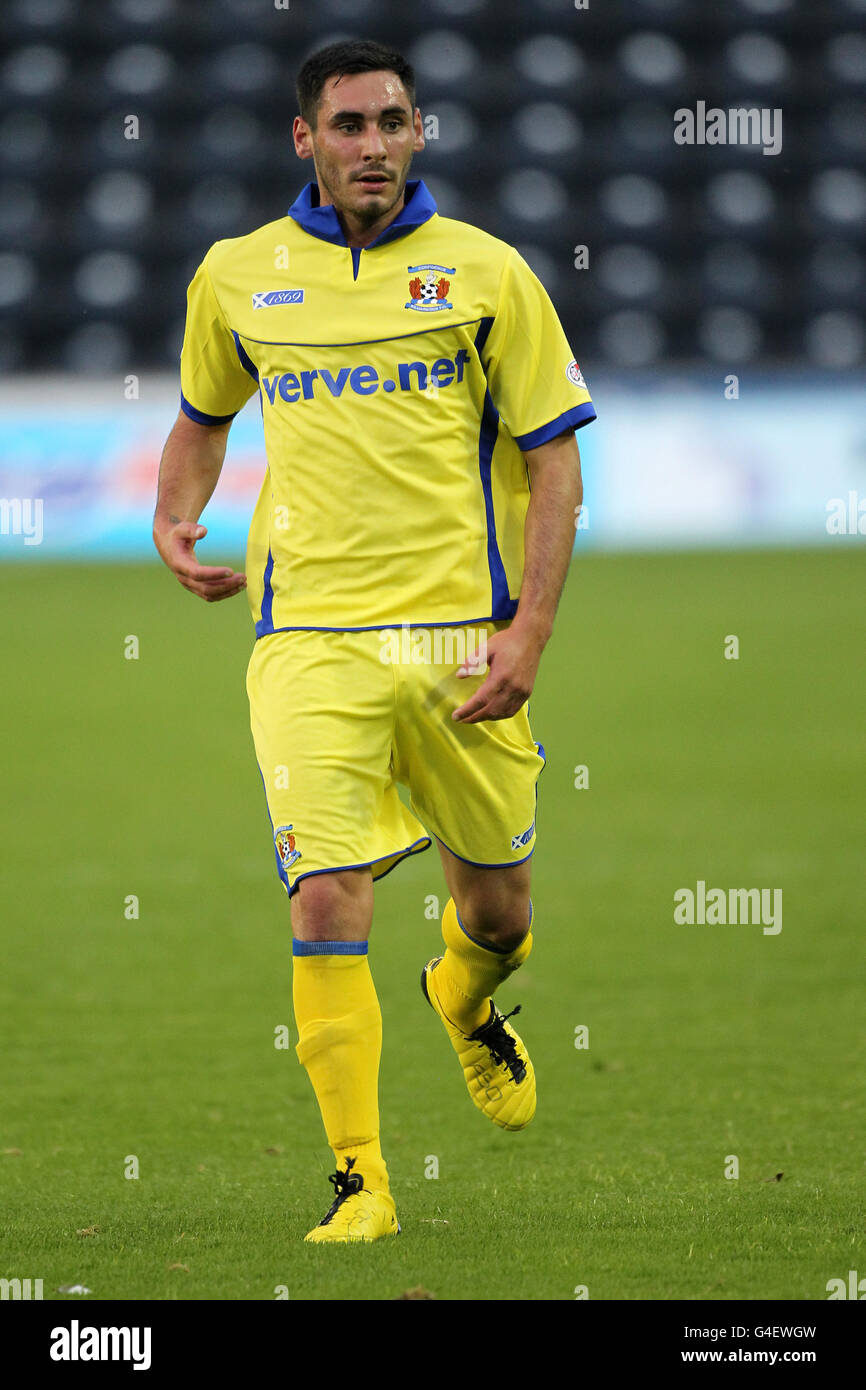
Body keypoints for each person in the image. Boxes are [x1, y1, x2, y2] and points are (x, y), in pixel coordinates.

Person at [153, 38, 596, 1243]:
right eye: (347, 125)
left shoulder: (487, 274)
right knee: (325, 889)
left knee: (499, 911)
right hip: (307, 639)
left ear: (418, 131)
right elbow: (200, 416)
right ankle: (362, 1181)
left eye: (391, 122)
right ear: (305, 138)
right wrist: (172, 517)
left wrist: (530, 632)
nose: (371, 146)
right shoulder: (240, 275)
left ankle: (462, 993)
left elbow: (553, 459)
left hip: (463, 638)